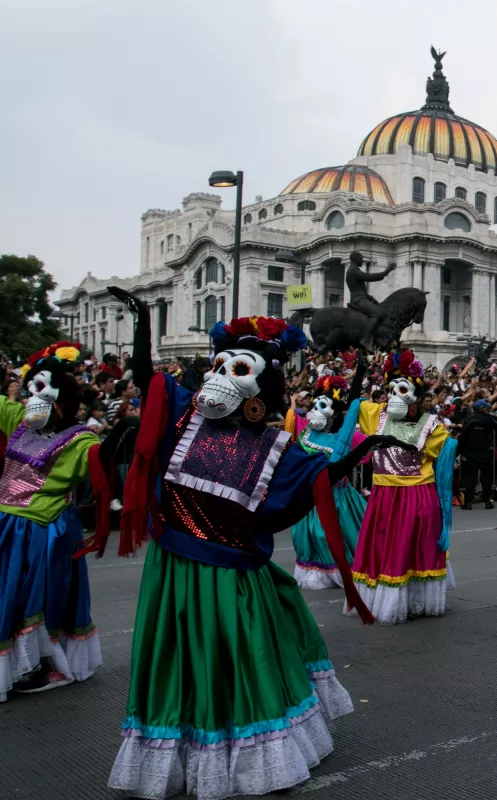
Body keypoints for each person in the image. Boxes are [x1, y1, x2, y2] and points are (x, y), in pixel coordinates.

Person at [104, 293, 393, 799]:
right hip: (173, 571)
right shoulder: (181, 420)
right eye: (218, 364)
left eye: (237, 367)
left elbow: (316, 482)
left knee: (238, 662)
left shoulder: (273, 447)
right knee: (178, 663)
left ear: (259, 387)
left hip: (231, 578)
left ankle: (246, 753)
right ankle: (188, 749)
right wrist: (144, 323)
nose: (219, 374)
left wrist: (366, 447)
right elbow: (149, 382)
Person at [0, 342, 112, 700]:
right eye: (34, 387)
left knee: (38, 599)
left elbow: (100, 461)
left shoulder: (80, 439)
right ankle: (22, 665)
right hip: (7, 524)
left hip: (44, 531)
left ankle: (39, 665)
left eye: (46, 389)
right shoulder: (19, 421)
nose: (37, 397)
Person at [345, 349, 458, 624]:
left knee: (414, 546)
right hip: (384, 494)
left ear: (415, 397)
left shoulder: (432, 426)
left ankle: (413, 601)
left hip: (417, 494)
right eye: (391, 388)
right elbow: (352, 405)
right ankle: (387, 599)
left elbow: (445, 457)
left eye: (402, 388)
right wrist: (360, 373)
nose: (394, 394)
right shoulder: (376, 416)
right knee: (386, 546)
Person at [284, 368, 369, 589]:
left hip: (337, 498)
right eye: (313, 406)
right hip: (309, 497)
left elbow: (350, 419)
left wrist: (358, 382)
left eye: (322, 406)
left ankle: (340, 569)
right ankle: (317, 570)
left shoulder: (340, 440)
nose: (314, 411)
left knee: (332, 535)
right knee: (307, 537)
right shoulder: (305, 434)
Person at [345, 251, 396, 347]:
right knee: (377, 314)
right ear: (355, 258)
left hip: (362, 298)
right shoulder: (353, 270)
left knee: (381, 309)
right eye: (360, 258)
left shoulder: (353, 270)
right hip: (359, 300)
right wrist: (385, 272)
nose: (362, 260)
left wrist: (369, 297)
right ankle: (366, 339)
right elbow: (368, 277)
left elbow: (359, 288)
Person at [459, 399, 497, 509]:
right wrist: (496, 417)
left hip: (472, 452)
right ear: (480, 408)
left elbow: (463, 437)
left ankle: (467, 503)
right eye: (486, 407)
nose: (488, 409)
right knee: (486, 479)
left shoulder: (468, 420)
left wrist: (462, 452)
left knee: (471, 478)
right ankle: (487, 502)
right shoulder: (489, 419)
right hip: (485, 452)